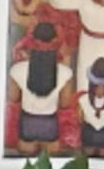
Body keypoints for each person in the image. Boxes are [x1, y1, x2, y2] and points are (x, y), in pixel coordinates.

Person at [10, 20, 68, 149]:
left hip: (27, 122)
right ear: (55, 42)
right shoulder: (65, 72)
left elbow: (13, 98)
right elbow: (65, 104)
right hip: (50, 123)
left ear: (33, 41)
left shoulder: (17, 69)